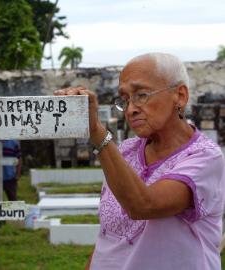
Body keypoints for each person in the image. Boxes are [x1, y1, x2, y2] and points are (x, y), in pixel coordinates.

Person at [55, 53, 225, 270]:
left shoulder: (205, 158)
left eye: (141, 95)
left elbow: (144, 205)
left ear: (180, 96)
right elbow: (109, 237)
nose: (130, 109)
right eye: (124, 100)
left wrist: (97, 133)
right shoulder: (125, 151)